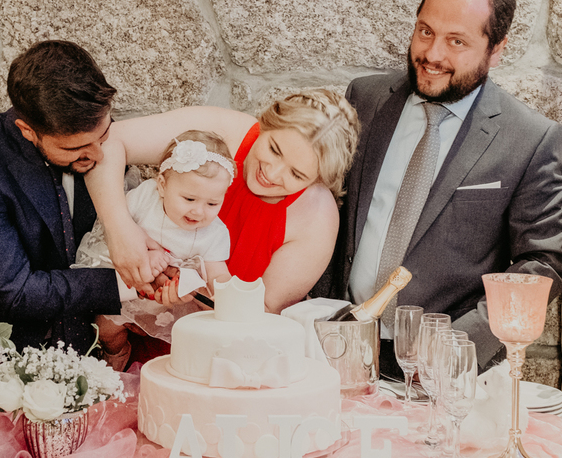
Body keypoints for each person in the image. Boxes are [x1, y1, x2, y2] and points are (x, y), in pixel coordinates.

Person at [317, 0, 562, 372]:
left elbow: (543, 263)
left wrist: (458, 345)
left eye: (457, 41)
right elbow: (323, 204)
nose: (433, 55)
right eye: (425, 31)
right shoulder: (363, 99)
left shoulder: (529, 139)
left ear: (496, 49)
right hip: (335, 345)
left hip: (442, 368)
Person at [88, 89, 361, 315]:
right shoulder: (224, 131)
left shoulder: (317, 218)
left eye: (296, 174)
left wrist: (193, 291)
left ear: (318, 179)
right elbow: (105, 143)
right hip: (120, 313)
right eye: (274, 149)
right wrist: (120, 232)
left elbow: (262, 313)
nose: (272, 173)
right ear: (266, 123)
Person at [0, 40, 124, 354]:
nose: (98, 155)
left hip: (99, 346)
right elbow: (17, 293)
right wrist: (127, 284)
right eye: (75, 148)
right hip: (10, 356)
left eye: (103, 135)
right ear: (27, 130)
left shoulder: (92, 130)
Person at [74, 130, 235, 370]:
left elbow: (217, 273)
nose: (199, 211)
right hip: (127, 286)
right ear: (162, 186)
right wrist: (145, 250)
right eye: (189, 199)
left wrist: (226, 291)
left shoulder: (215, 232)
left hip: (168, 302)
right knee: (105, 328)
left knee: (191, 337)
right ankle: (116, 351)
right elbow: (117, 228)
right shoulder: (145, 198)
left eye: (213, 203)